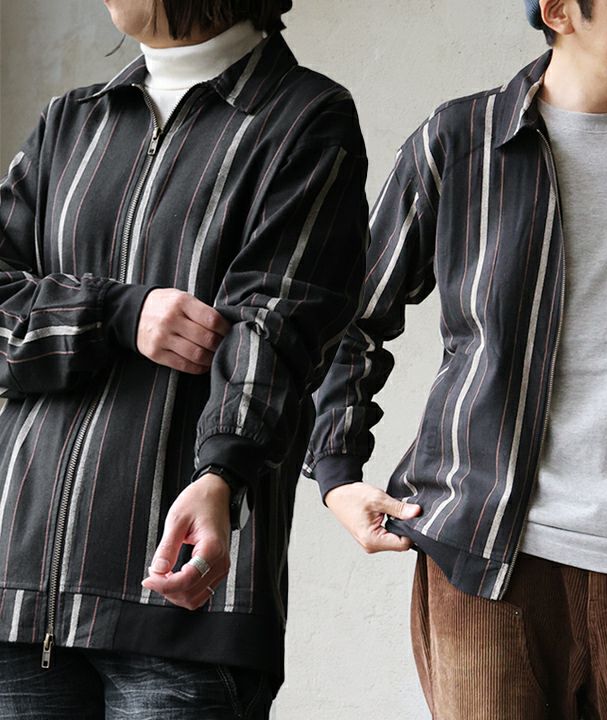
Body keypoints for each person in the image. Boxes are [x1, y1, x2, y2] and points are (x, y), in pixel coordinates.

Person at [305, 0, 607, 717]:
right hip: (490, 562)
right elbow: (348, 316)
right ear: (559, 11)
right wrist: (336, 474)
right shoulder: (462, 141)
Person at [0, 0, 368, 717]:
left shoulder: (304, 119)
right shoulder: (71, 123)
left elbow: (279, 326)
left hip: (188, 607)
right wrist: (115, 313)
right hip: (18, 592)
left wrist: (222, 472)